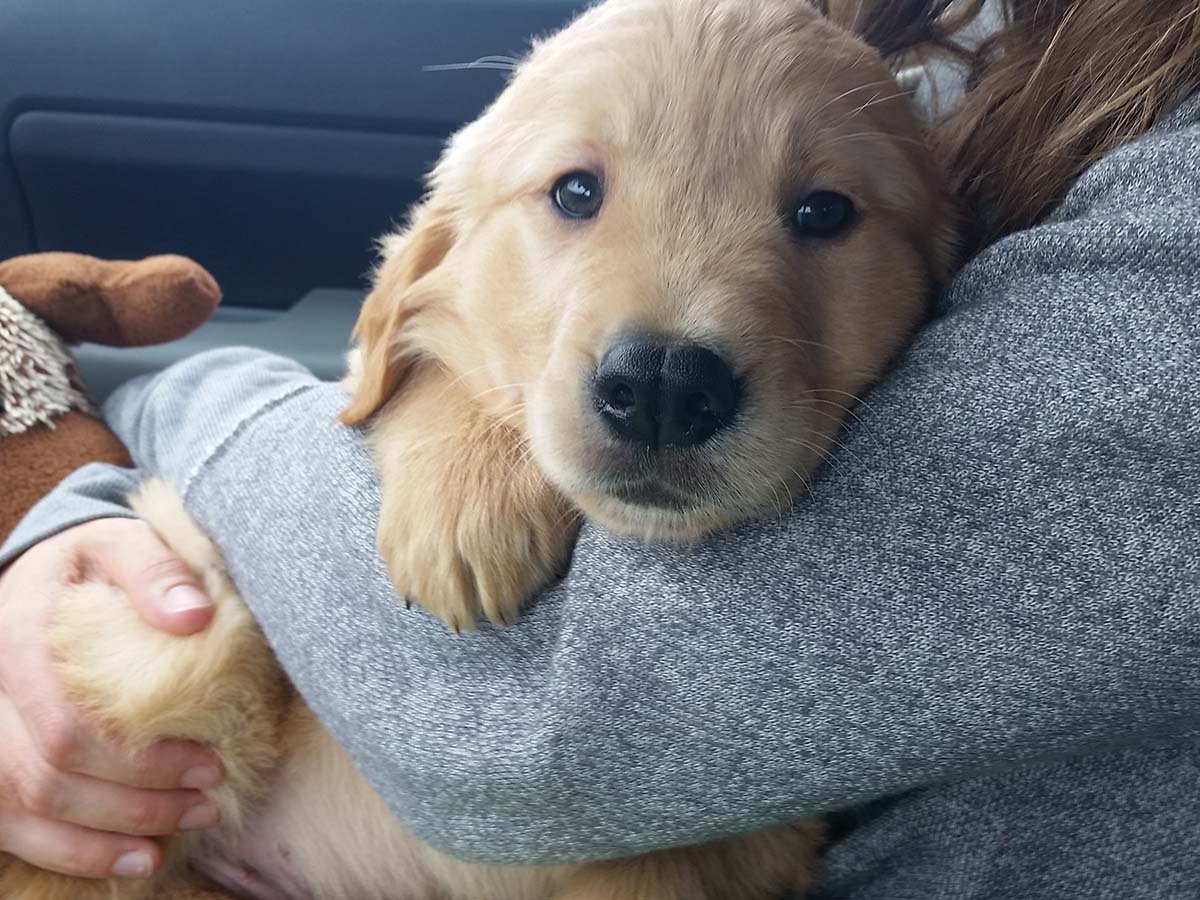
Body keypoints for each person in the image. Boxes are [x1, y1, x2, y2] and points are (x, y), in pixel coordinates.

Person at [2, 0, 1198, 896]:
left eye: (822, 214)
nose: (680, 334)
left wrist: (178, 395)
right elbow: (433, 317)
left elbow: (508, 728)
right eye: (578, 193)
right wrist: (92, 504)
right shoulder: (941, 43)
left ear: (948, 269)